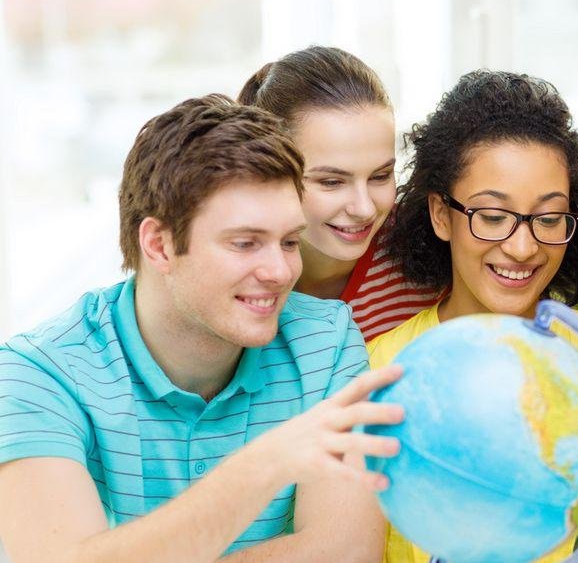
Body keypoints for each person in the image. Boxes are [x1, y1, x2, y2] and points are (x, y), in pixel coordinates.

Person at [0, 95, 407, 562]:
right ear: (159, 245)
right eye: (245, 243)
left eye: (289, 241)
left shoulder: (326, 340)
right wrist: (265, 465)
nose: (279, 271)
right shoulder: (37, 375)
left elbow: (347, 553)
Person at [368, 70, 578, 563]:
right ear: (441, 215)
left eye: (549, 217)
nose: (522, 246)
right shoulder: (373, 375)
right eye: (492, 216)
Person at [239, 46, 440, 342]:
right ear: (267, 173)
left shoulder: (429, 253)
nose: (365, 209)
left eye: (381, 176)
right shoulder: (232, 272)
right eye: (332, 182)